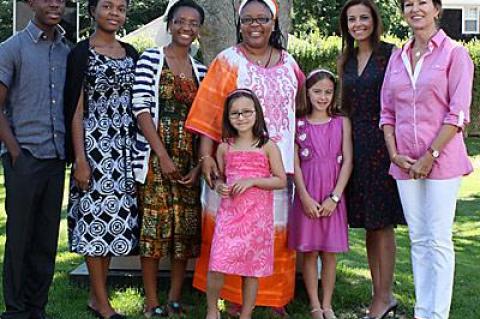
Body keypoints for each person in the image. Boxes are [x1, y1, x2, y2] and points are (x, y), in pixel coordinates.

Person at [185, 0, 304, 316]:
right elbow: (209, 114)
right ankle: (231, 297)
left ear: (273, 23)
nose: (255, 24)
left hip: (279, 168)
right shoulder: (227, 61)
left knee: (273, 232)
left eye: (262, 18)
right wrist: (206, 158)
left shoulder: (291, 63)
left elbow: (303, 111)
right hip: (234, 165)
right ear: (239, 24)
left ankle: (272, 296)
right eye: (248, 19)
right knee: (229, 235)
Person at [380, 1, 474, 318]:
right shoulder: (397, 56)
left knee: (438, 239)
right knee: (418, 240)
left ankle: (439, 313)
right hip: (405, 161)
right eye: (409, 4)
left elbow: (458, 112)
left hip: (442, 161)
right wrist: (394, 153)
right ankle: (423, 311)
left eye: (422, 2)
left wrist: (430, 154)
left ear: (436, 9)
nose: (415, 9)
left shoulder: (454, 54)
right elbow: (387, 112)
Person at [131, 0, 207, 316]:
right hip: (154, 157)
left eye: (193, 23)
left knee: (184, 232)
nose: (186, 28)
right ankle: (151, 301)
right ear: (169, 24)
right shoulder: (150, 60)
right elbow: (141, 109)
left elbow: (207, 121)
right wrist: (161, 156)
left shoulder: (202, 70)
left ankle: (174, 298)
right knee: (154, 228)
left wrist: (200, 165)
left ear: (199, 29)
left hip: (189, 161)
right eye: (180, 21)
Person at [64, 0, 139, 317]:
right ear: (93, 10)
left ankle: (98, 296)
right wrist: (80, 159)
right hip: (95, 149)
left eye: (120, 8)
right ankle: (102, 303)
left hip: (125, 151)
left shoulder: (132, 52)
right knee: (95, 223)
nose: (114, 13)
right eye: (107, 6)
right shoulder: (80, 53)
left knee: (115, 226)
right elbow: (75, 110)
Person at [0, 0, 69, 318]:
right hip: (23, 158)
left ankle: (36, 308)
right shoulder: (12, 48)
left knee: (45, 240)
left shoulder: (66, 49)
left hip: (55, 160)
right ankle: (15, 311)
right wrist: (15, 152)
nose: (55, 3)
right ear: (31, 3)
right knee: (19, 240)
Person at [338, 1, 405, 317]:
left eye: (364, 17)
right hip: (355, 145)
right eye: (352, 19)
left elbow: (402, 100)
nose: (358, 24)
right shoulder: (347, 59)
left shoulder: (392, 54)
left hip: (384, 142)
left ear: (375, 20)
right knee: (368, 223)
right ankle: (379, 295)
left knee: (383, 223)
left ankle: (384, 295)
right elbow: (344, 105)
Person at [206, 89, 287, 319]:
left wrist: (252, 181)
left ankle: (246, 314)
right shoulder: (225, 147)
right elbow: (221, 177)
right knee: (217, 263)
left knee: (251, 270)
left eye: (246, 112)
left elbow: (280, 180)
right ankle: (212, 310)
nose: (241, 117)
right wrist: (220, 185)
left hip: (256, 218)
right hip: (230, 215)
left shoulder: (267, 146)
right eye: (235, 113)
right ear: (228, 117)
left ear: (257, 113)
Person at [288, 69, 352, 319]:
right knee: (310, 250)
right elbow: (294, 164)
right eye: (317, 91)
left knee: (329, 252)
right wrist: (303, 197)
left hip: (332, 196)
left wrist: (335, 197)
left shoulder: (341, 122)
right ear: (307, 93)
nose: (323, 97)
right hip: (308, 194)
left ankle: (327, 304)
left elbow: (347, 161)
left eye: (328, 92)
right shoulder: (298, 123)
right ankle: (314, 304)